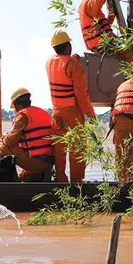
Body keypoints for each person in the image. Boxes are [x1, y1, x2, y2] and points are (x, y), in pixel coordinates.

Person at [47, 30, 96, 183]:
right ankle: (76, 181)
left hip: (57, 113)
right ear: (68, 45)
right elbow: (82, 95)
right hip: (72, 113)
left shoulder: (49, 62)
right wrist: (91, 114)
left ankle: (60, 179)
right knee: (78, 148)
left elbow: (61, 62)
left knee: (60, 149)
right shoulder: (74, 66)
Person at [0, 88, 55, 182]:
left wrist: (4, 137)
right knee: (22, 178)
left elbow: (10, 141)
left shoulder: (22, 116)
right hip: (48, 163)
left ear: (16, 105)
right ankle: (30, 174)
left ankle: (4, 179)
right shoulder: (43, 113)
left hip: (37, 164)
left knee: (4, 147)